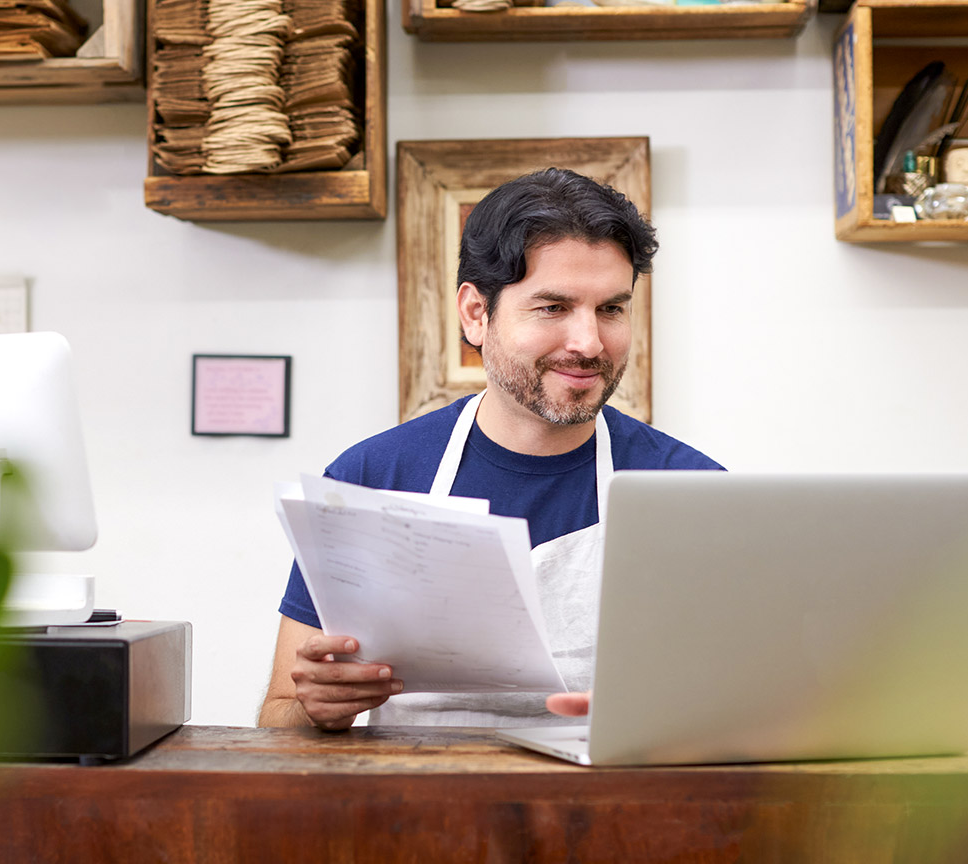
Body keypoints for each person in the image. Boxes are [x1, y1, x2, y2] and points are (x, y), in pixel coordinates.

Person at [258, 168, 723, 731]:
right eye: (553, 307)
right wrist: (316, 709)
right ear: (477, 314)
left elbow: (738, 715)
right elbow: (279, 717)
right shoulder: (370, 476)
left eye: (611, 309)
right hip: (414, 808)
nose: (590, 343)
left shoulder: (695, 491)